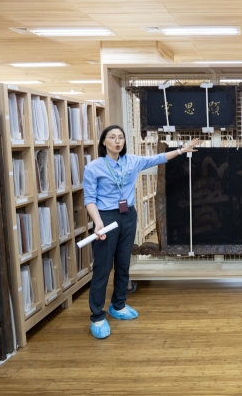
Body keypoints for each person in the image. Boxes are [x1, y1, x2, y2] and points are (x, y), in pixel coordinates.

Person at [82, 124, 199, 339]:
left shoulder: (132, 161)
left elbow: (158, 158)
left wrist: (182, 150)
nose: (118, 141)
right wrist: (97, 223)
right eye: (112, 137)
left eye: (121, 137)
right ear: (104, 142)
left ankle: (118, 305)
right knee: (103, 266)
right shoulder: (93, 167)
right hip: (105, 217)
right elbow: (89, 198)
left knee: (124, 262)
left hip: (128, 215)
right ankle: (97, 316)